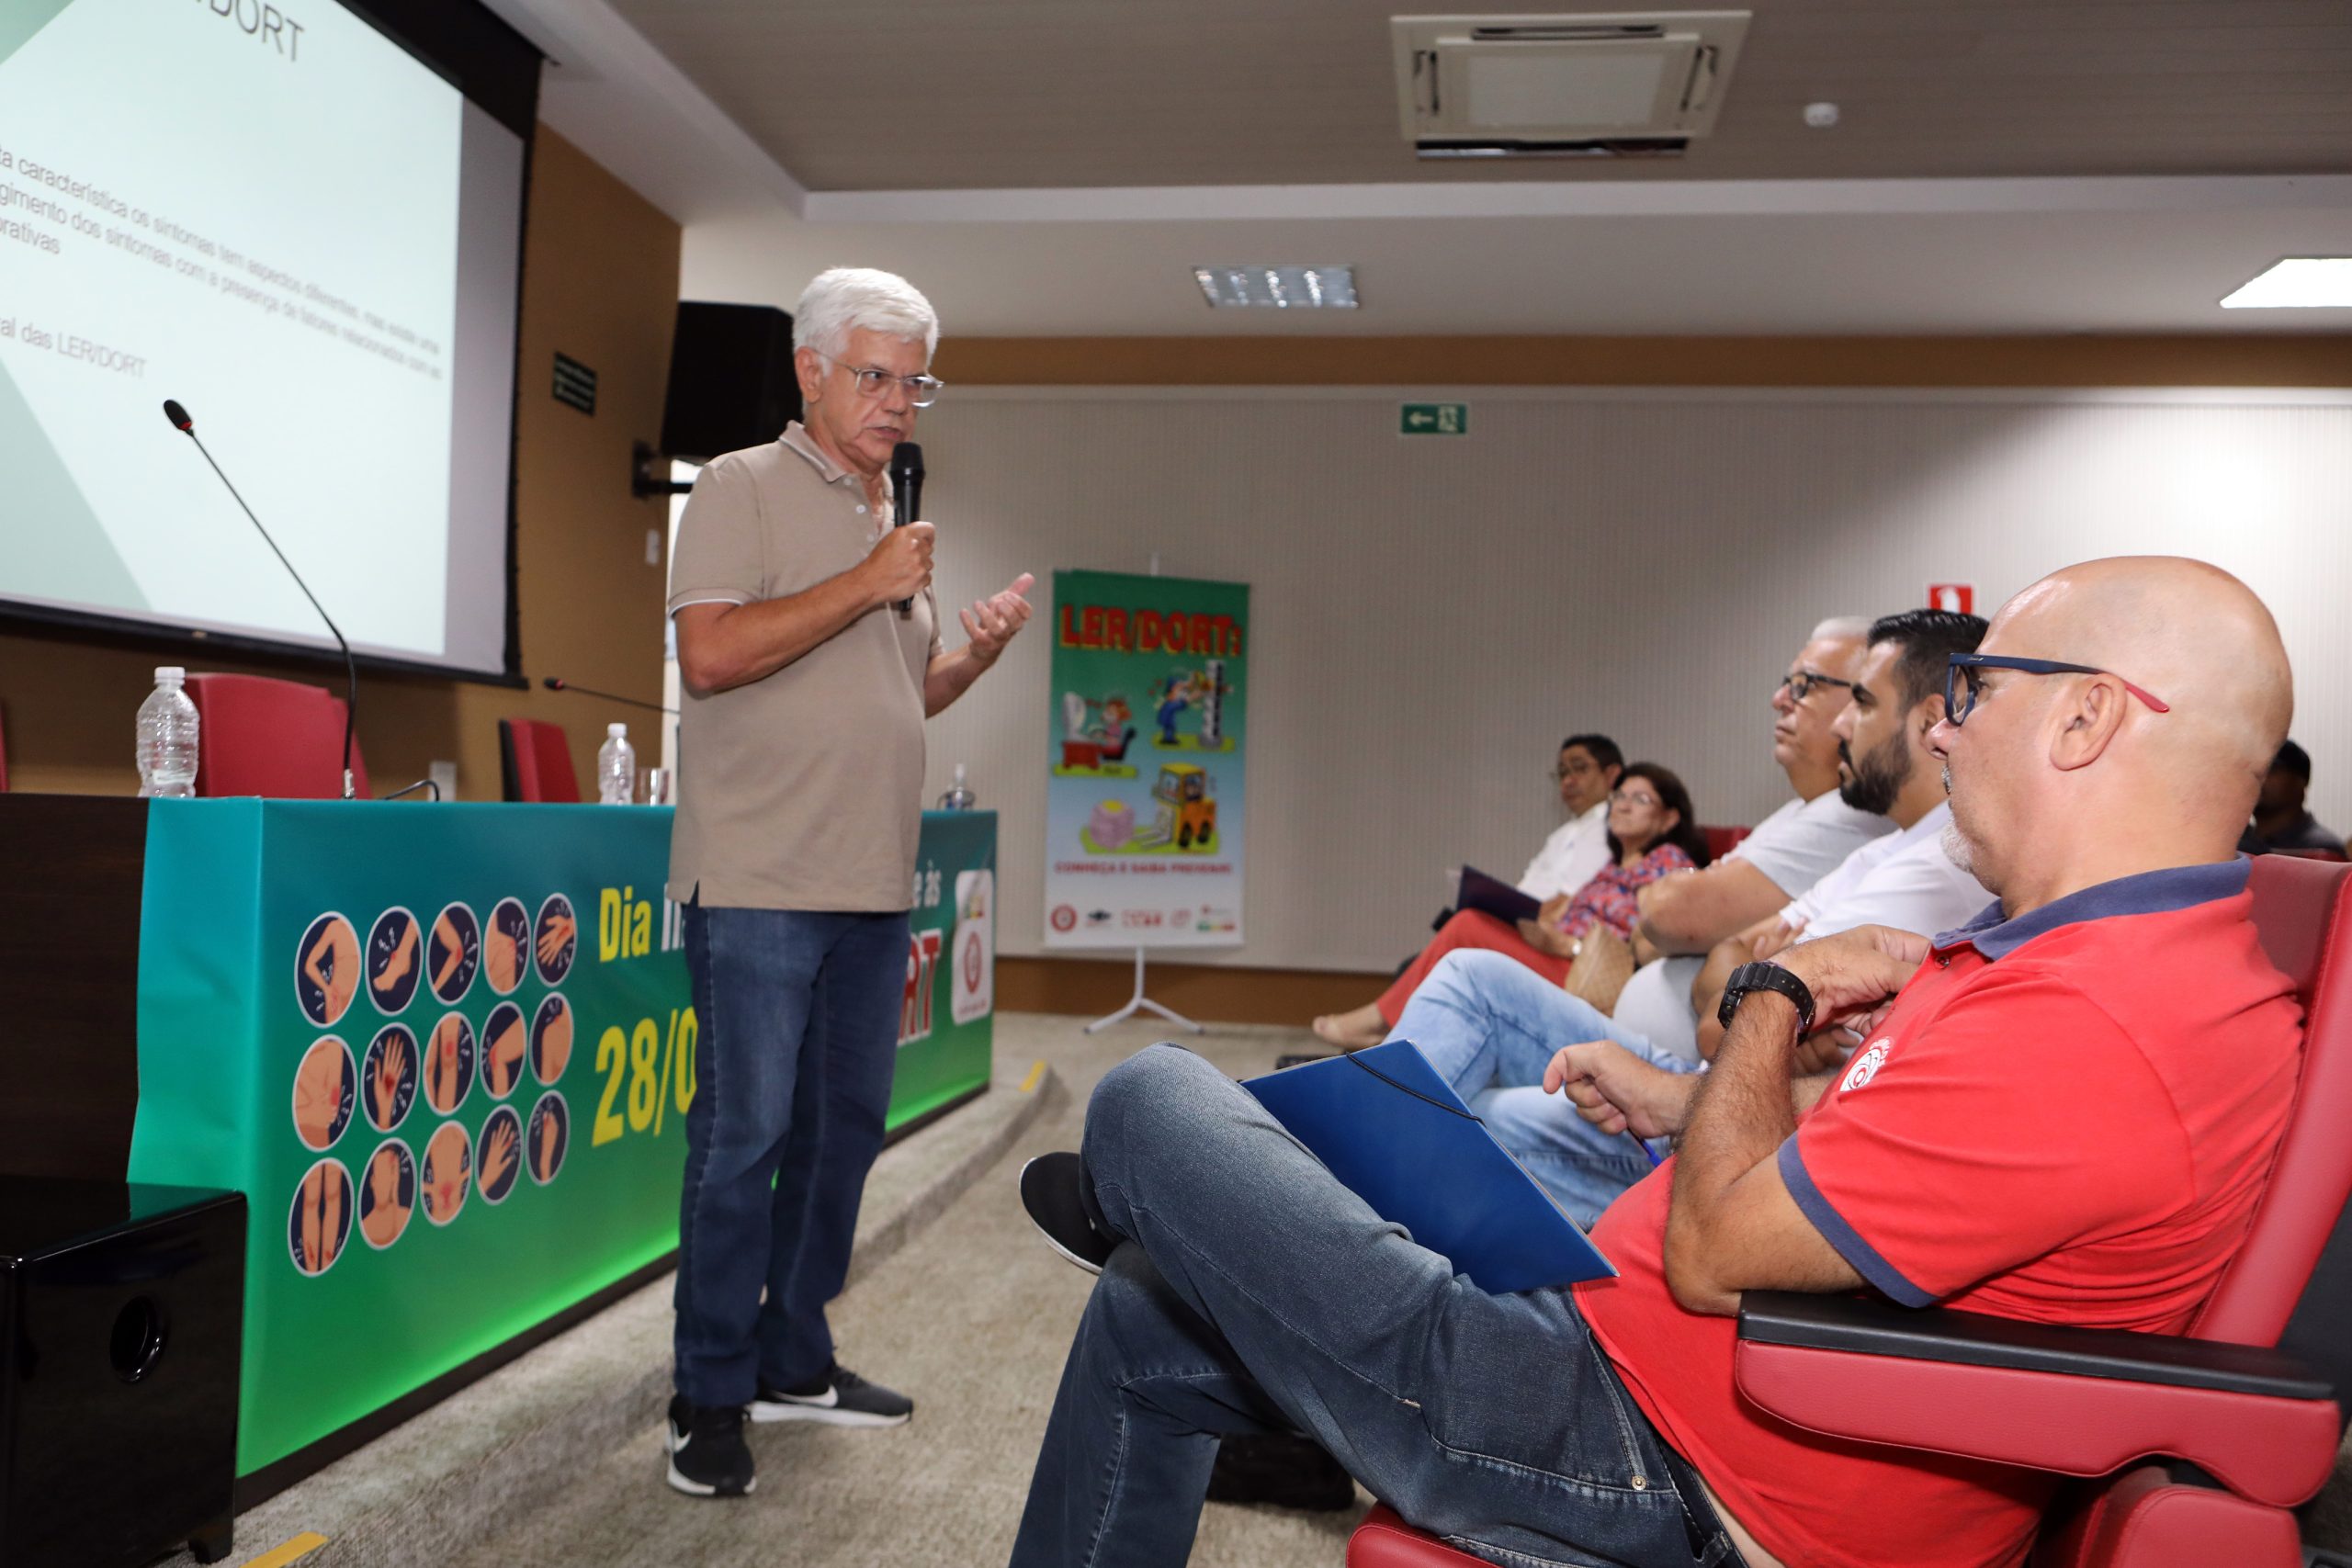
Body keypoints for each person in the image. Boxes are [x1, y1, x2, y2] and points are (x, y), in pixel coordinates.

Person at [1011, 556, 2301, 1568]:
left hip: (1653, 1463)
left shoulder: (2091, 1024)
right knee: (1143, 1305)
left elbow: (1712, 1252)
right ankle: (1208, 1218)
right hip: (1629, 1378)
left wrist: (1773, 990)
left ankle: (1194, 1198)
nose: (1947, 734)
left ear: (2084, 717)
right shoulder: (2120, 966)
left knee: (1150, 1098)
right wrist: (1692, 1094)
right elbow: (1873, 1151)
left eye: (1977, 693)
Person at [661, 266, 1036, 1499]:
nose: (899, 402)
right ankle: (708, 1392)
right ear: (811, 369)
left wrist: (967, 655)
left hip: (875, 883)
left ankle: (795, 1355)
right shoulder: (738, 485)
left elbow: (896, 691)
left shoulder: (895, 511)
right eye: (874, 373)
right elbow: (712, 655)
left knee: (840, 1137)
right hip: (763, 874)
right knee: (743, 1140)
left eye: (916, 379)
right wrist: (870, 584)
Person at [1396, 607, 1995, 1224]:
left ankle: (1320, 1192)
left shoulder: (1930, 863)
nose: (1844, 724)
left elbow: (1724, 1022)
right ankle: (1324, 1180)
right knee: (1472, 983)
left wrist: (1746, 975)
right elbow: (1727, 984)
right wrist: (1749, 975)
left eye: (1862, 703)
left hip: (1718, 1120)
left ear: (1929, 720)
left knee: (1465, 1117)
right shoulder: (1886, 846)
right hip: (1705, 1084)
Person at [1311, 764, 1709, 1047]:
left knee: (1468, 927)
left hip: (1584, 977)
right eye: (1619, 796)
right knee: (1474, 921)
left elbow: (1647, 944)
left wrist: (1567, 946)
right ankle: (1402, 1035)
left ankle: (1383, 1022)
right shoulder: (1611, 865)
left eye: (1639, 799)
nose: (1622, 805)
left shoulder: (1669, 863)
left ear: (1669, 817)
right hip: (1556, 956)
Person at [1517, 733, 1625, 899]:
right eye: (1562, 773)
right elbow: (1525, 889)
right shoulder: (1558, 836)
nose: (1567, 781)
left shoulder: (1619, 825)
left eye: (1580, 768)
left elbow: (1578, 895)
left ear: (1612, 775)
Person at [2248, 739, 2345, 855]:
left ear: (2301, 781)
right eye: (2251, 771)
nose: (2258, 777)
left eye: (2271, 769)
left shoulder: (2321, 850)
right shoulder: (2237, 840)